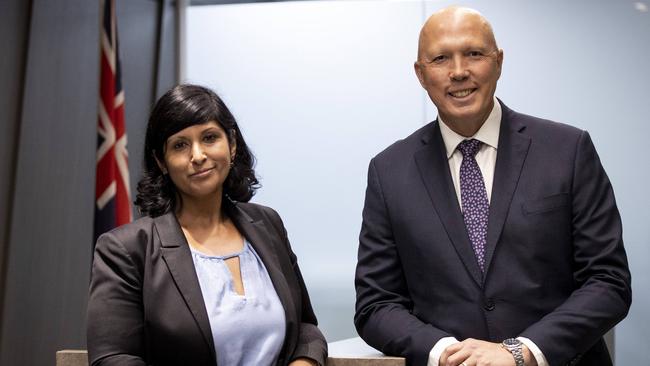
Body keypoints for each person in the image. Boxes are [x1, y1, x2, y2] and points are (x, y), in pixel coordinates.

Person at [354, 6, 631, 366]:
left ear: (498, 62)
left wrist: (521, 351)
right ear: (421, 75)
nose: (458, 72)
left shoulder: (568, 150)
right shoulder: (389, 171)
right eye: (440, 59)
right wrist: (446, 353)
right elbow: (376, 304)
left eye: (473, 53)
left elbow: (608, 282)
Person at [87, 84, 327, 366]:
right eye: (180, 145)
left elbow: (305, 328)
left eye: (210, 138)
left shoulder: (268, 224)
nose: (198, 155)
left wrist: (305, 362)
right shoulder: (125, 249)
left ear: (232, 144)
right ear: (161, 161)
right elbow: (113, 359)